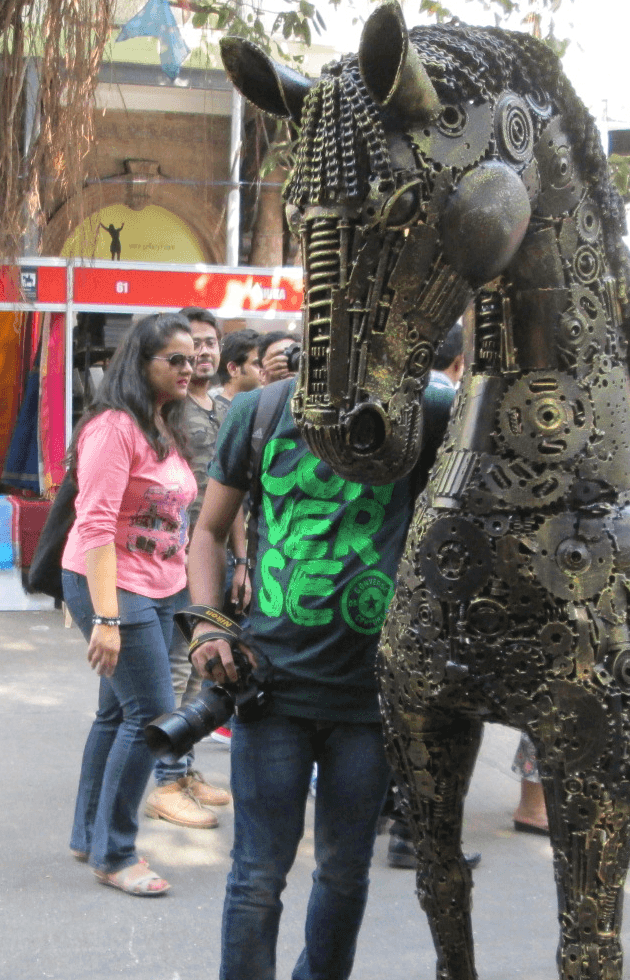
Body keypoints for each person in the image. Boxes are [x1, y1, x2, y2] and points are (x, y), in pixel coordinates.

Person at [187, 372, 454, 978]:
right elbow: (206, 531)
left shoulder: (426, 410)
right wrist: (206, 625)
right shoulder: (260, 411)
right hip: (269, 687)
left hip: (370, 696)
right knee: (257, 874)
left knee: (342, 870)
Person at [63, 312, 197, 896]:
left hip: (161, 584)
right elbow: (93, 526)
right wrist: (107, 618)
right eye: (176, 359)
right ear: (142, 364)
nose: (190, 368)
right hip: (116, 586)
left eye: (194, 358)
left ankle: (89, 834)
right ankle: (115, 853)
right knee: (152, 717)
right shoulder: (113, 427)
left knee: (117, 713)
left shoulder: (162, 425)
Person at [142, 307, 232, 830]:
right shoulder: (165, 413)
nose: (200, 354)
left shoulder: (219, 407)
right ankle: (167, 779)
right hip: (163, 561)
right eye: (189, 346)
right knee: (172, 672)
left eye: (208, 343)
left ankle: (183, 767)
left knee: (200, 665)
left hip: (201, 557)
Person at [213, 327, 262, 400]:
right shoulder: (218, 410)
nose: (264, 371)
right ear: (233, 369)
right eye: (258, 364)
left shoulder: (258, 406)